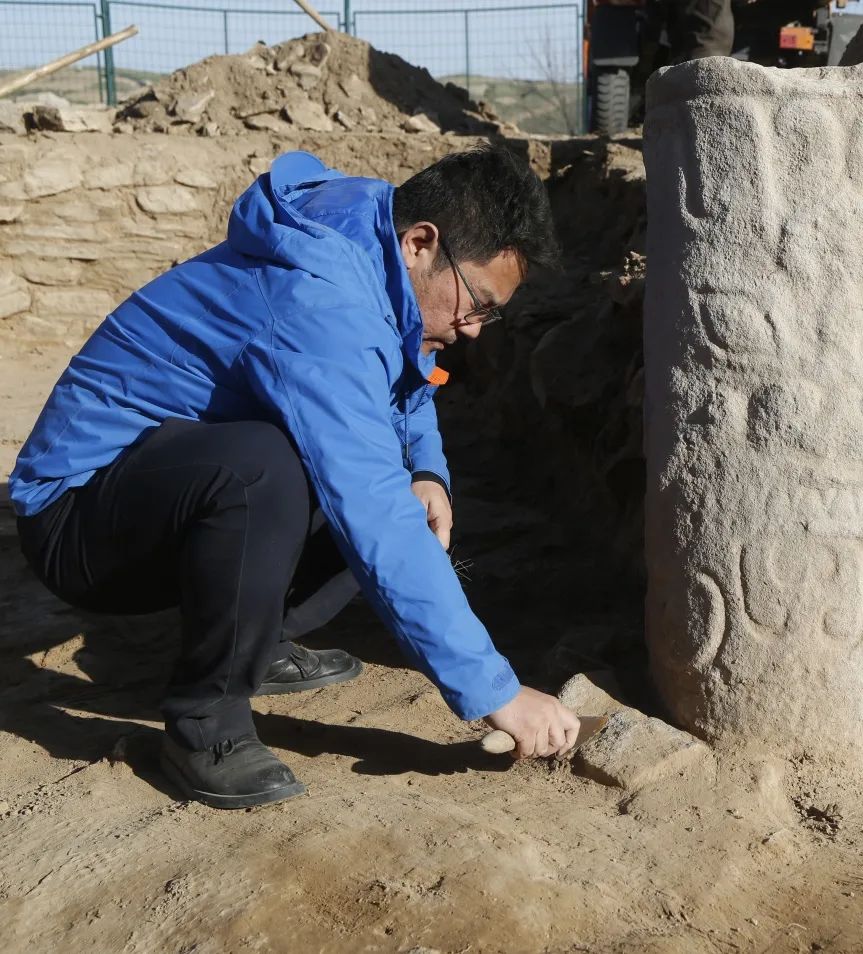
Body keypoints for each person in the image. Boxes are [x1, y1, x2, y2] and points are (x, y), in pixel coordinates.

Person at [10, 145, 581, 809]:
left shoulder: (371, 247)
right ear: (420, 243)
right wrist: (496, 692)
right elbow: (373, 513)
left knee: (351, 471)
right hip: (77, 519)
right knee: (268, 470)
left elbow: (403, 374)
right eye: (477, 303)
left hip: (165, 483)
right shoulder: (319, 302)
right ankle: (204, 723)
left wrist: (426, 469)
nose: (474, 330)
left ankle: (258, 644)